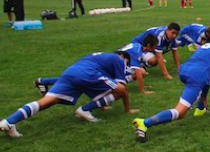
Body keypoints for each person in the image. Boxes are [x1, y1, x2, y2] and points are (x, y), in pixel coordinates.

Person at [132, 34, 210, 143]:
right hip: (197, 75)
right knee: (180, 113)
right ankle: (144, 123)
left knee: (206, 79)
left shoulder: (208, 45)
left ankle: (201, 108)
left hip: (184, 70)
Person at [0, 52, 137, 138]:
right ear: (123, 58)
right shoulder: (119, 59)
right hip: (87, 73)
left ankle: (9, 122)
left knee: (47, 101)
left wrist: (102, 106)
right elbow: (123, 89)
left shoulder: (99, 59)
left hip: (71, 72)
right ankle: (84, 110)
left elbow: (95, 90)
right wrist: (127, 110)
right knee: (121, 89)